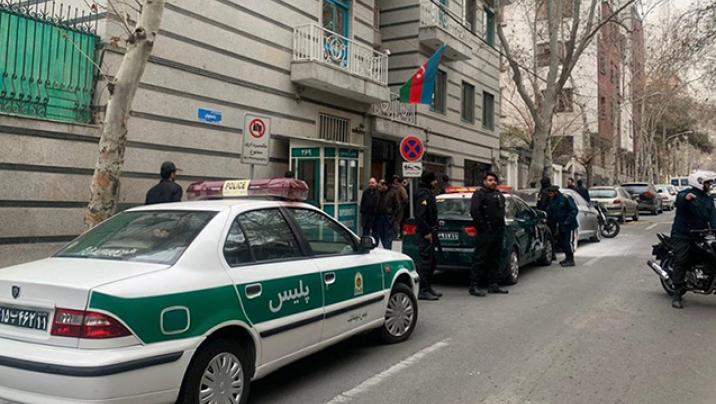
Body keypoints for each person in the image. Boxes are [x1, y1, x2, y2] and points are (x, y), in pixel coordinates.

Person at [669, 170, 716, 309]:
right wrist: (685, 198)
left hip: (700, 234)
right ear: (699, 183)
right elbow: (679, 199)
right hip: (682, 234)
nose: (709, 186)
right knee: (682, 259)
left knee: (711, 255)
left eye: (710, 183)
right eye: (707, 183)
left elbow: (713, 217)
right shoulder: (686, 194)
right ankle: (677, 293)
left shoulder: (708, 199)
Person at [469, 172, 509, 297]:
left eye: (495, 180)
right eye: (490, 180)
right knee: (480, 259)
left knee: (495, 258)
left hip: (497, 231)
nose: (493, 182)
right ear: (485, 181)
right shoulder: (479, 194)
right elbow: (475, 212)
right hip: (485, 232)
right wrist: (484, 227)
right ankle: (474, 286)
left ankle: (493, 284)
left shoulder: (498, 195)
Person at [414, 171, 441, 300]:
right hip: (425, 233)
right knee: (425, 263)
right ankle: (422, 290)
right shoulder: (423, 194)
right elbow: (420, 216)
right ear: (429, 181)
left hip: (430, 231)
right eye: (434, 180)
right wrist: (426, 232)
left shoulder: (428, 192)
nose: (436, 182)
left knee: (431, 262)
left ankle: (428, 287)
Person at [546, 186, 579, 267]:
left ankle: (571, 259)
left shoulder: (565, 198)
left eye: (551, 193)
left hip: (568, 225)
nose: (550, 195)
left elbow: (574, 210)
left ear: (556, 192)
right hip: (560, 225)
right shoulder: (552, 200)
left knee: (567, 242)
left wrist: (567, 220)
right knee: (562, 242)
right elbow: (551, 211)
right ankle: (567, 258)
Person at [376, 179, 400, 250]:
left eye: (383, 185)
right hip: (380, 217)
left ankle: (387, 248)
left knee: (388, 235)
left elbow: (397, 206)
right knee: (382, 234)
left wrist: (393, 216)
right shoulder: (380, 193)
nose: (382, 187)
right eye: (381, 185)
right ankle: (385, 247)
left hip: (389, 217)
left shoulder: (392, 193)